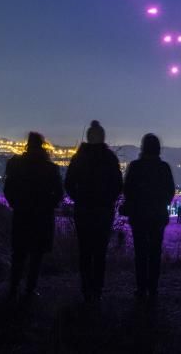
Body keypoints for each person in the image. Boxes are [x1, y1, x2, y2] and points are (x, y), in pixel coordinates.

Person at [64, 120, 122, 302]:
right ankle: (97, 289)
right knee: (99, 252)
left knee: (85, 251)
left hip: (83, 211)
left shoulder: (79, 158)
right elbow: (118, 185)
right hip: (104, 212)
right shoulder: (110, 159)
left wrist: (78, 199)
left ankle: (86, 288)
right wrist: (108, 201)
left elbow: (68, 183)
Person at [3, 132, 63, 299]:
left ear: (27, 145)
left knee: (19, 254)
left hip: (22, 215)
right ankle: (30, 289)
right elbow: (58, 193)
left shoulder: (16, 166)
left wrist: (15, 204)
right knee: (36, 255)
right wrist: (49, 206)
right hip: (42, 217)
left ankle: (13, 289)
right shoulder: (50, 169)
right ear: (43, 145)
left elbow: (8, 189)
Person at [122, 133, 175, 299]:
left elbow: (127, 190)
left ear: (143, 148)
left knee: (140, 253)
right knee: (154, 252)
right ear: (158, 149)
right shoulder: (164, 168)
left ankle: (141, 288)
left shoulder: (135, 166)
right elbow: (170, 192)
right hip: (158, 216)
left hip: (138, 216)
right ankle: (153, 288)